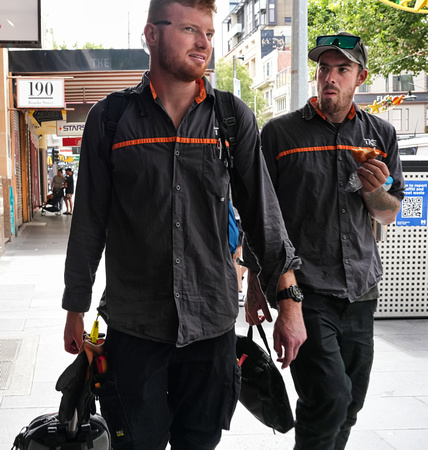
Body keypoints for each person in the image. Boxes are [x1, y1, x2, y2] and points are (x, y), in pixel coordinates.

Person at [62, 0, 306, 448]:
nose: (204, 44)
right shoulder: (111, 120)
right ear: (152, 35)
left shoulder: (230, 119)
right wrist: (75, 306)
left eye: (210, 34)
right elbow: (89, 221)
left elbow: (263, 216)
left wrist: (289, 301)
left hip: (210, 328)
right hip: (135, 328)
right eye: (191, 29)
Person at [245, 32, 405, 449]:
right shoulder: (280, 135)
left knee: (348, 404)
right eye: (323, 69)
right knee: (328, 397)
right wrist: (254, 288)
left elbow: (389, 212)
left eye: (342, 69)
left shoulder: (380, 136)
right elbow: (260, 215)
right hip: (305, 290)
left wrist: (374, 191)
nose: (329, 78)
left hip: (361, 292)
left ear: (361, 77)